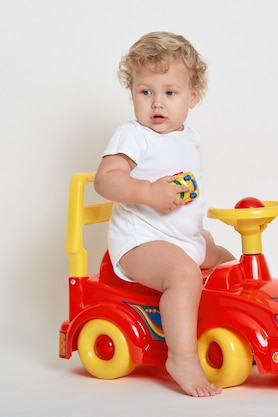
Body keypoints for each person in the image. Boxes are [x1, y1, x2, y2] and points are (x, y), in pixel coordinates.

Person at [94, 31, 234, 397]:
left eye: (170, 93)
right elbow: (106, 180)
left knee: (225, 261)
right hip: (141, 241)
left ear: (193, 97)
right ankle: (182, 356)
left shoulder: (188, 137)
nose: (157, 103)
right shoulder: (134, 135)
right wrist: (148, 192)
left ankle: (219, 324)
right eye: (146, 92)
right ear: (133, 94)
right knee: (183, 272)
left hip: (179, 237)